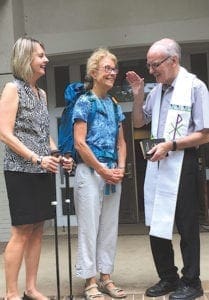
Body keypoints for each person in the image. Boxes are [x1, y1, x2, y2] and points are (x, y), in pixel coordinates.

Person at [126, 38, 209, 300]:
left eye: (155, 65)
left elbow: (206, 133)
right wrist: (139, 93)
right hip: (158, 161)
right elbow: (139, 121)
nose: (151, 70)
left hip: (183, 161)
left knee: (186, 225)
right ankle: (168, 277)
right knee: (157, 223)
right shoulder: (156, 91)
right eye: (149, 65)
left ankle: (192, 282)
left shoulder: (195, 87)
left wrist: (171, 145)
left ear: (173, 60)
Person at [0, 37, 73, 300]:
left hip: (43, 168)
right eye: (40, 55)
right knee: (21, 230)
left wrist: (56, 154)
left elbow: (43, 134)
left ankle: (30, 288)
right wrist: (35, 157)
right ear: (25, 58)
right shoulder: (12, 89)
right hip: (20, 170)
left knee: (38, 227)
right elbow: (4, 133)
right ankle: (11, 293)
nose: (46, 60)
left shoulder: (41, 94)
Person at [72, 48, 127, 300]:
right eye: (107, 68)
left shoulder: (114, 104)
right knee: (89, 228)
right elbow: (80, 143)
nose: (112, 73)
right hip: (91, 173)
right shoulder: (84, 102)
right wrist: (103, 170)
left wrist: (121, 168)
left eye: (114, 69)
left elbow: (121, 142)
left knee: (108, 228)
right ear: (93, 72)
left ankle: (106, 277)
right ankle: (90, 280)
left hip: (111, 174)